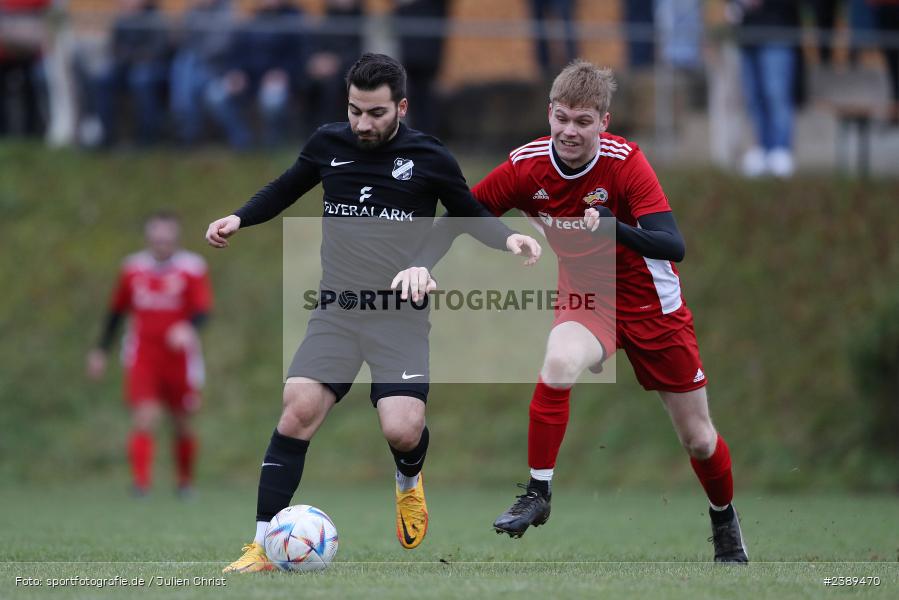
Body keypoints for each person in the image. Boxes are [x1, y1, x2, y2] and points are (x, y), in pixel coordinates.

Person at [396, 60, 749, 563]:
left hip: (654, 307)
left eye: (583, 121)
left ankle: (724, 520)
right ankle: (538, 493)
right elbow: (460, 218)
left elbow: (674, 245)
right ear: (549, 114)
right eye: (562, 118)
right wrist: (420, 266)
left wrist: (613, 228)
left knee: (698, 438)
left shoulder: (627, 164)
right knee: (558, 363)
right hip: (589, 299)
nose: (569, 130)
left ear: (603, 123)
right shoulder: (526, 166)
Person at [205, 53, 541, 573]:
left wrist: (511, 236)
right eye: (355, 110)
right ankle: (261, 546)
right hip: (337, 310)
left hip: (399, 316)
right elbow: (285, 187)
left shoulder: (429, 156)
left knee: (402, 430)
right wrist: (238, 217)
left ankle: (408, 481)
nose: (363, 123)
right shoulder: (327, 144)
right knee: (296, 408)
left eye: (376, 113)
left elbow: (466, 215)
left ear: (402, 107)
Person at [87, 212, 213, 497]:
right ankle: (140, 484)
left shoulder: (192, 268)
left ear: (176, 239)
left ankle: (185, 483)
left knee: (182, 421)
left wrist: (186, 327)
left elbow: (204, 311)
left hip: (180, 357)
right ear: (149, 238)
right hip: (143, 354)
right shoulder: (132, 269)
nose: (162, 244)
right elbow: (117, 311)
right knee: (145, 417)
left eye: (167, 239)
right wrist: (100, 350)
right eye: (157, 239)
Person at [728, 0, 801, 177]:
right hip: (748, 35)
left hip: (777, 32)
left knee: (776, 94)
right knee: (754, 97)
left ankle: (781, 150)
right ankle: (761, 148)